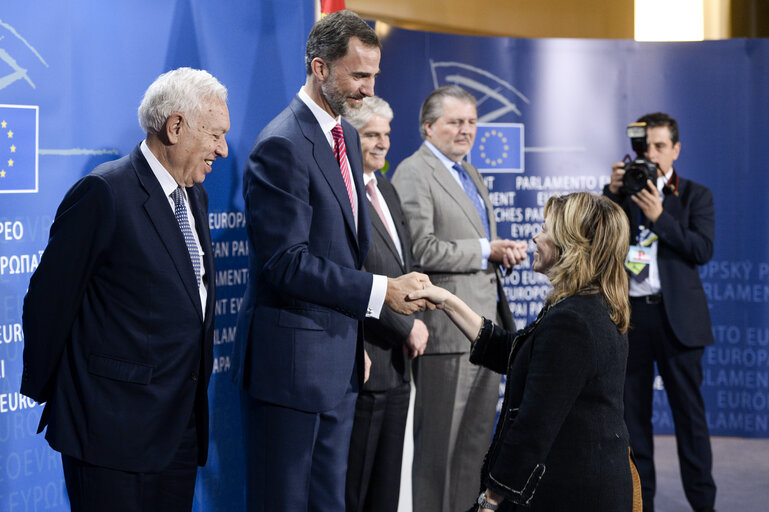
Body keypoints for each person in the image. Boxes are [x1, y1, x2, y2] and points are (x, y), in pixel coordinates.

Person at [230, 11, 430, 512]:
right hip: (292, 373)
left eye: (374, 76)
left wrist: (354, 341)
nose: (368, 88)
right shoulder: (282, 144)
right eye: (358, 75)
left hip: (339, 366)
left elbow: (342, 249)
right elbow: (286, 263)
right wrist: (381, 290)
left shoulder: (338, 137)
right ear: (319, 68)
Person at [20, 67, 229, 511]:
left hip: (178, 433)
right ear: (176, 126)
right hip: (110, 436)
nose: (223, 149)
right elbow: (47, 303)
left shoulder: (196, 196)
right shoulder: (104, 192)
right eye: (215, 135)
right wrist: (66, 398)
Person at [409, 192, 634, 511]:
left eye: (544, 229)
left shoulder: (571, 323)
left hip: (573, 495)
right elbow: (513, 352)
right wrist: (447, 300)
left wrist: (491, 500)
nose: (535, 236)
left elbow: (532, 429)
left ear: (570, 245)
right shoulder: (588, 307)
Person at [391, 84, 528, 510]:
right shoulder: (414, 172)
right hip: (446, 337)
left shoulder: (468, 172)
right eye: (455, 122)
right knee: (437, 454)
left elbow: (469, 242)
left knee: (473, 452)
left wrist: (496, 253)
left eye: (471, 122)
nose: (465, 130)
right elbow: (421, 249)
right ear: (428, 127)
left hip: (485, 333)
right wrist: (486, 249)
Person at [603, 112, 717, 512]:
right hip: (631, 320)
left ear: (676, 149)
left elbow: (701, 250)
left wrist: (659, 218)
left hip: (679, 324)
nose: (650, 154)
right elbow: (598, 239)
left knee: (690, 420)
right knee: (633, 423)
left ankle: (704, 504)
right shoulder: (625, 193)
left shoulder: (695, 195)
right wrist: (612, 192)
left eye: (659, 147)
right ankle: (641, 504)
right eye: (644, 147)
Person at [342, 96, 429, 512]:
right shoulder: (343, 195)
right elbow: (351, 277)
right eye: (372, 134)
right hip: (367, 360)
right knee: (355, 491)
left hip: (399, 368)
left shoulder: (387, 189)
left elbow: (404, 265)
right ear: (349, 136)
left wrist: (416, 318)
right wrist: (405, 326)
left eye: (387, 135)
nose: (382, 143)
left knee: (387, 493)